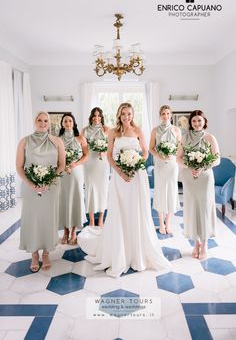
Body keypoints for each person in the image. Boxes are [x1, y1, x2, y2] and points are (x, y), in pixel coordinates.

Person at [78, 103, 170, 277]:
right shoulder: (113, 132)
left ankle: (137, 251)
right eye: (123, 114)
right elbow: (110, 155)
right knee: (121, 211)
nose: (126, 117)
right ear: (119, 115)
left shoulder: (138, 131)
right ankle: (119, 250)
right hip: (119, 178)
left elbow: (145, 153)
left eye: (129, 114)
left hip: (137, 176)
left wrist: (135, 165)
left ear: (132, 115)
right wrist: (120, 171)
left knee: (137, 210)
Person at [16, 111, 65, 272]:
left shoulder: (57, 141)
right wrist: (31, 184)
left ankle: (46, 253)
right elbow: (19, 166)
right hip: (31, 188)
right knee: (32, 219)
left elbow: (61, 165)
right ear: (34, 121)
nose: (43, 123)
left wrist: (48, 181)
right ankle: (34, 254)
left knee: (48, 219)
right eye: (39, 120)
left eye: (45, 120)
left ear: (49, 123)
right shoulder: (24, 141)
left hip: (51, 187)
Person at [177, 109, 220, 259]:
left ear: (204, 121)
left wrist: (202, 167)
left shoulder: (210, 138)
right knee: (193, 208)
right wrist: (190, 167)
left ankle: (205, 243)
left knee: (205, 208)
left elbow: (217, 159)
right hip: (190, 178)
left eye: (199, 121)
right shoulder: (184, 138)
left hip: (205, 178)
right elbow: (178, 158)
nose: (196, 123)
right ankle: (196, 243)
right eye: (194, 121)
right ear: (190, 123)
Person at [149, 105, 181, 234]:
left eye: (168, 113)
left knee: (171, 192)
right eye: (163, 113)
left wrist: (172, 153)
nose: (166, 116)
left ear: (171, 115)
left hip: (172, 164)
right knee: (160, 191)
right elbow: (151, 148)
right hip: (160, 164)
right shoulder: (155, 130)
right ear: (160, 115)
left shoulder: (176, 130)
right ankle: (161, 223)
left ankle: (168, 223)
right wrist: (159, 155)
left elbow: (180, 149)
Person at [59, 113, 89, 245]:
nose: (67, 123)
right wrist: (63, 165)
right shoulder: (57, 139)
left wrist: (75, 164)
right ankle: (65, 231)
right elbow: (55, 156)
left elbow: (86, 155)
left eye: (70, 121)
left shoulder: (80, 138)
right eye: (65, 121)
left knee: (76, 199)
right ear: (62, 124)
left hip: (76, 172)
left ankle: (73, 231)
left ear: (74, 123)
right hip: (63, 173)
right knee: (64, 200)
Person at [81, 107, 110, 226]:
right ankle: (92, 219)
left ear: (101, 117)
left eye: (99, 115)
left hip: (102, 162)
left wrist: (104, 151)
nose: (96, 118)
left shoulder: (107, 129)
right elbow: (82, 147)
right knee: (90, 190)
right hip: (90, 162)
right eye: (94, 115)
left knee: (103, 190)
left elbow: (112, 145)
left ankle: (101, 219)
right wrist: (92, 148)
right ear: (91, 117)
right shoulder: (85, 130)